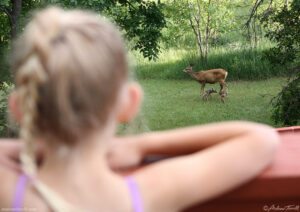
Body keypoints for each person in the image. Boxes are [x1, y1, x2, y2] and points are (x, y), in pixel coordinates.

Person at [0, 7, 280, 212]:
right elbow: (261, 139)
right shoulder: (146, 193)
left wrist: (38, 145)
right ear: (129, 103)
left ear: (19, 109)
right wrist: (138, 145)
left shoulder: (13, 193)